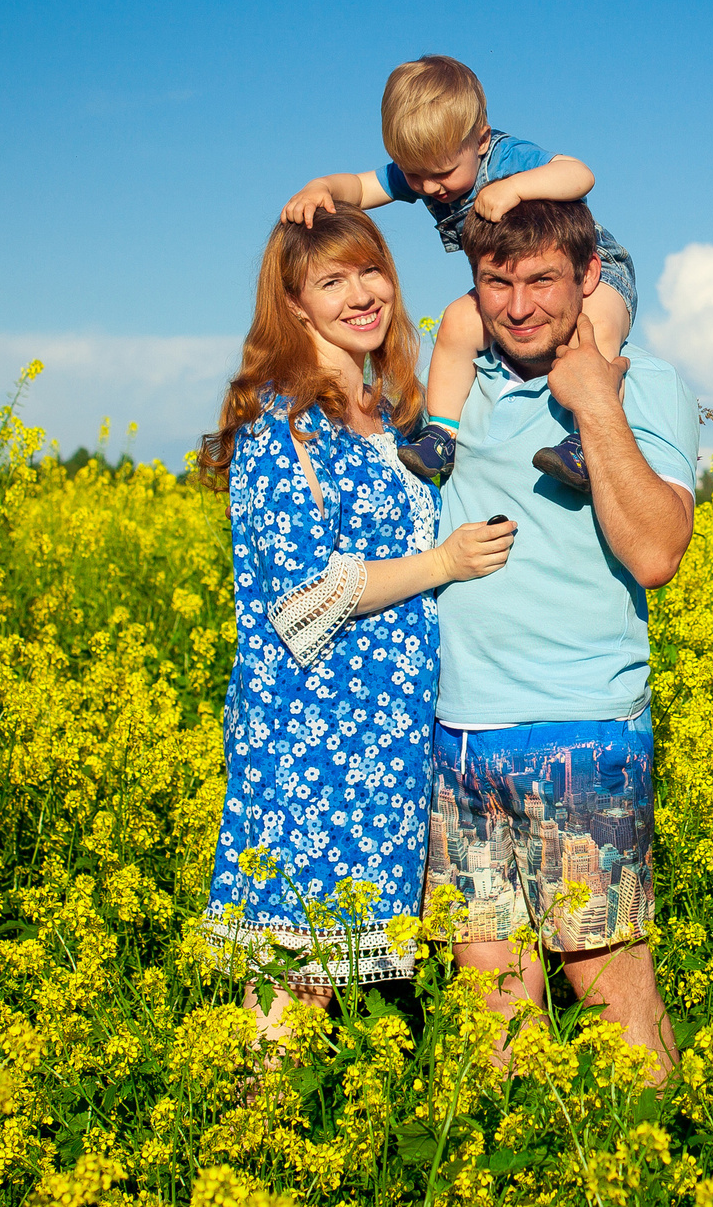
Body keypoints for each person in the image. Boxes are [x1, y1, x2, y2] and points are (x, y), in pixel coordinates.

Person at [197, 209, 518, 1036]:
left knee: (342, 971)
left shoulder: (394, 413)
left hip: (389, 738)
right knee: (295, 980)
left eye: (369, 270)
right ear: (294, 305)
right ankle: (253, 1142)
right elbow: (301, 594)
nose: (360, 294)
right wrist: (441, 564)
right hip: (311, 735)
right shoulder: (283, 425)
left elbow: (497, 307)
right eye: (330, 281)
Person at [422, 196, 699, 1081]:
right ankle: (524, 1163)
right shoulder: (458, 387)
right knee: (486, 993)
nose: (518, 304)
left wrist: (592, 403)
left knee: (603, 978)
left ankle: (662, 1153)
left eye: (542, 279)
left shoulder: (644, 382)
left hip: (580, 730)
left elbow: (656, 549)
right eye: (495, 283)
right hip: (458, 735)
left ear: (591, 277)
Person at [277, 55, 639, 497]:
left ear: (480, 140)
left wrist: (515, 187)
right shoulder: (429, 165)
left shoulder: (506, 157)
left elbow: (580, 174)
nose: (430, 188)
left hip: (589, 268)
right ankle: (441, 437)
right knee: (455, 323)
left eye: (443, 173)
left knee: (594, 331)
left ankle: (587, 443)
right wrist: (323, 188)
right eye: (415, 175)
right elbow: (360, 186)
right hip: (513, 280)